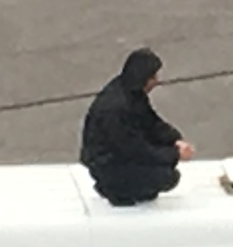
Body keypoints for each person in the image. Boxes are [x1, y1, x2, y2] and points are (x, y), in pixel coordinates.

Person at [80, 49, 195, 207]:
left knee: (163, 164)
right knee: (167, 177)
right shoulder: (116, 109)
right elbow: (134, 148)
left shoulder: (130, 93)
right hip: (108, 164)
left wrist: (174, 139)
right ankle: (116, 189)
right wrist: (173, 154)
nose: (156, 81)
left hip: (118, 155)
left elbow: (151, 122)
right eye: (153, 77)